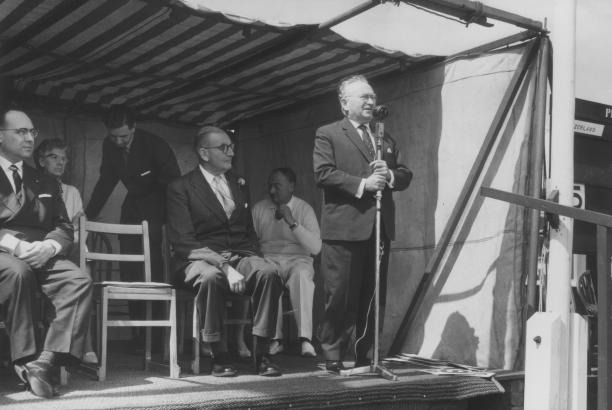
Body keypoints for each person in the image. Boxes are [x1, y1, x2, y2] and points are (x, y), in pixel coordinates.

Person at [313, 75, 412, 374]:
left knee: (373, 295)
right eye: (363, 97)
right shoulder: (328, 133)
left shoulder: (385, 137)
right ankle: (333, 352)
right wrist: (363, 184)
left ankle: (367, 353)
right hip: (344, 229)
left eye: (372, 96)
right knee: (340, 294)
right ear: (345, 104)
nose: (371, 101)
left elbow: (405, 173)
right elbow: (323, 173)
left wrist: (390, 175)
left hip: (379, 229)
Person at [166, 125, 284, 377]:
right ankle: (219, 354)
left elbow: (248, 231)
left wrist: (253, 259)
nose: (231, 152)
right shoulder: (181, 187)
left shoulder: (238, 183)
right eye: (224, 147)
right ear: (204, 153)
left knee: (269, 273)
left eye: (232, 147)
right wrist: (224, 266)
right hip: (198, 257)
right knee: (211, 277)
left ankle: (262, 353)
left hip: (239, 254)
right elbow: (183, 241)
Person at [0, 109, 93, 398]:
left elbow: (64, 226)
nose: (29, 138)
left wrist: (49, 246)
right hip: (4, 251)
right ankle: (24, 360)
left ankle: (46, 360)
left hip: (42, 252)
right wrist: (16, 246)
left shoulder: (44, 180)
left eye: (32, 132)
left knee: (78, 280)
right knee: (18, 271)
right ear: (0, 136)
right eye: (21, 132)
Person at [85, 105, 180, 342]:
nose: (118, 141)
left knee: (154, 272)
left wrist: (174, 225)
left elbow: (175, 186)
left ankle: (156, 338)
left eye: (124, 136)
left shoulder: (155, 145)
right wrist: (87, 215)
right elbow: (106, 181)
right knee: (130, 273)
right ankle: (138, 335)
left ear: (134, 128)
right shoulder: (110, 144)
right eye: (113, 136)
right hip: (131, 209)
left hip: (159, 210)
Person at [34, 138, 98, 365]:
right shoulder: (33, 184)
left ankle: (85, 344)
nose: (60, 163)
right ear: (41, 160)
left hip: (67, 247)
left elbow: (79, 223)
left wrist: (71, 242)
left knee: (83, 271)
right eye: (54, 157)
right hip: (41, 249)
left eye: (64, 158)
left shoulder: (71, 191)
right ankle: (56, 347)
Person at [251, 167, 321, 357]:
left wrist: (292, 221)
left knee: (302, 277)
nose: (272, 191)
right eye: (270, 186)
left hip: (298, 260)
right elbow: (251, 242)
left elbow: (316, 248)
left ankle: (305, 339)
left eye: (277, 186)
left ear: (291, 186)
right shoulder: (259, 208)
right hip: (269, 259)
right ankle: (276, 339)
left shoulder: (304, 208)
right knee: (267, 276)